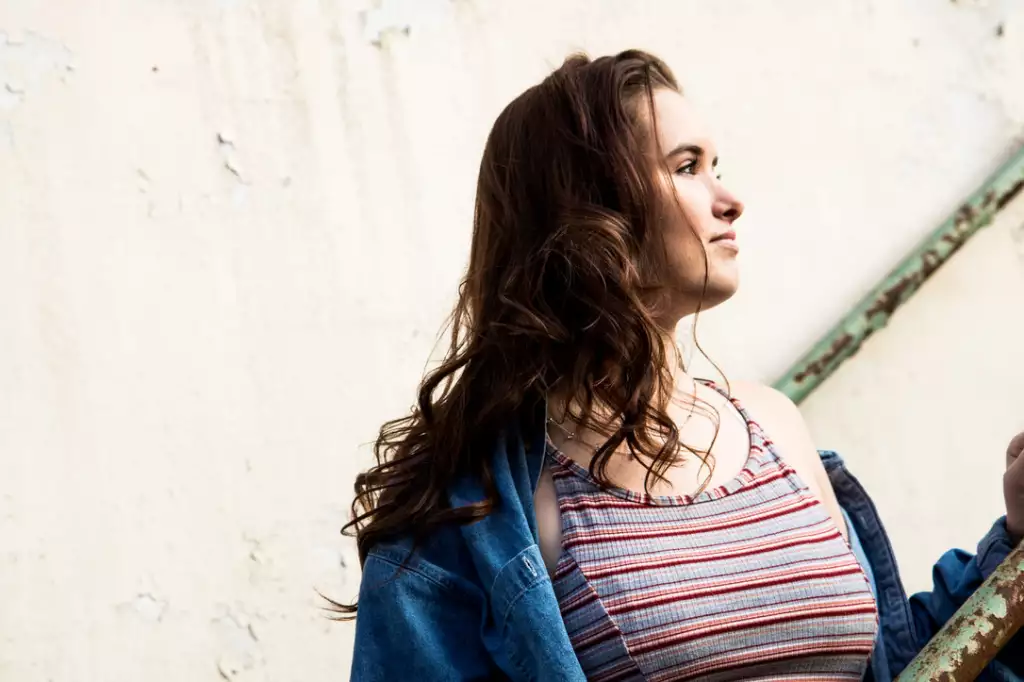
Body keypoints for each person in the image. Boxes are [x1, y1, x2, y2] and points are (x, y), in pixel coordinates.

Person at [341, 49, 1024, 681]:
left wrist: (1016, 539)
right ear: (592, 206)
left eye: (716, 166)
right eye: (687, 167)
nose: (730, 200)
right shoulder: (481, 511)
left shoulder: (775, 429)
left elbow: (908, 664)